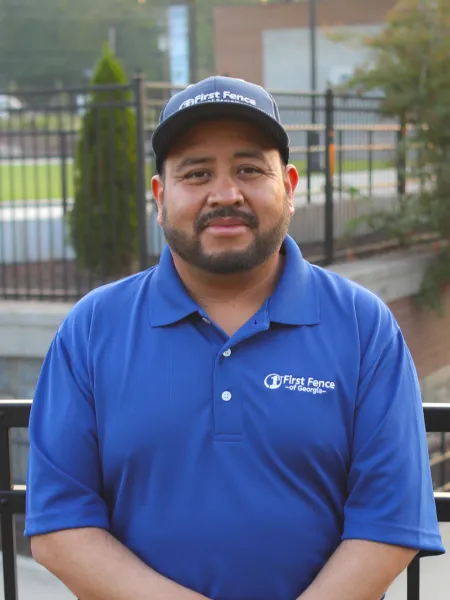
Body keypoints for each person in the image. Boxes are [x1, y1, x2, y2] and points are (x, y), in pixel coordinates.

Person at [25, 76, 445, 600]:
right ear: (160, 196)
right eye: (196, 173)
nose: (225, 194)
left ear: (289, 187)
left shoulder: (365, 327)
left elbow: (389, 522)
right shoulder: (90, 330)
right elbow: (60, 527)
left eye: (249, 169)